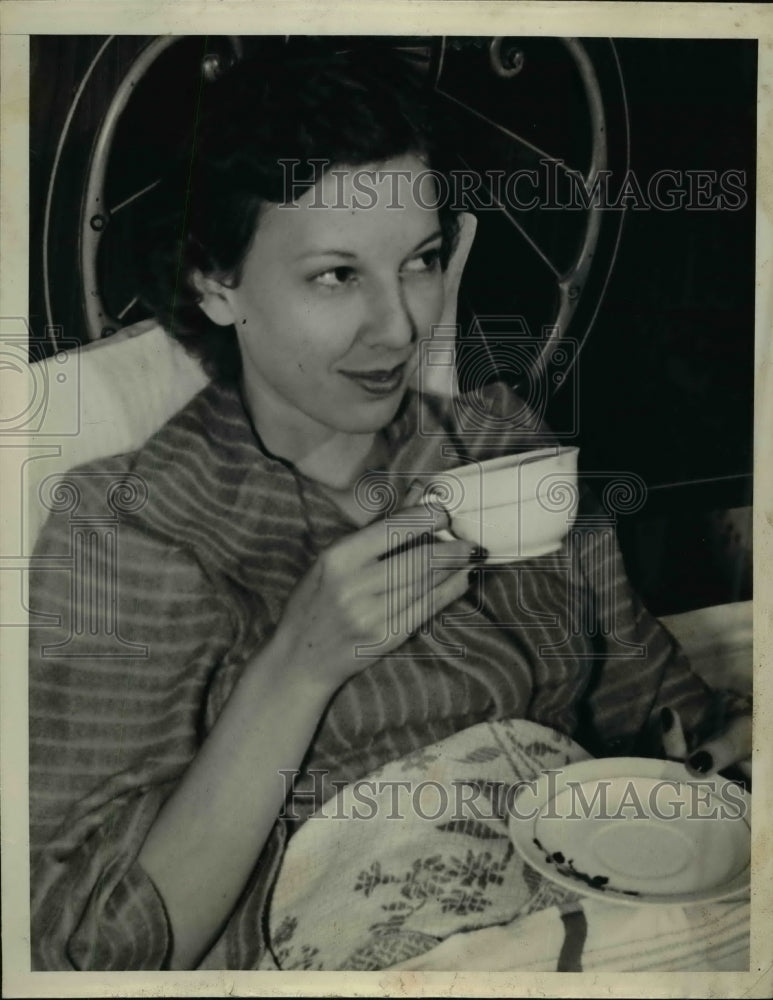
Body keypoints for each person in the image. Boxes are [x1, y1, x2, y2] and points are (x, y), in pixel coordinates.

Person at [28, 41, 751, 972]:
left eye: (420, 261)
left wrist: (719, 746)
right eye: (336, 276)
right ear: (217, 283)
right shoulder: (128, 528)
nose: (402, 325)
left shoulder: (502, 444)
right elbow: (87, 950)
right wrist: (296, 668)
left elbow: (656, 716)